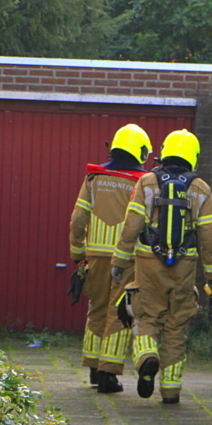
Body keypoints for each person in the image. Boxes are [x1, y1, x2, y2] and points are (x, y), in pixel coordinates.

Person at [111, 129, 212, 404]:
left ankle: (147, 358)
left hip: (148, 264)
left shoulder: (147, 182)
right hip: (184, 267)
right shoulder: (201, 188)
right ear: (192, 156)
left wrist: (119, 261)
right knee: (176, 324)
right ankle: (171, 390)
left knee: (147, 317)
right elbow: (210, 235)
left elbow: (132, 225)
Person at [69, 123, 151, 393]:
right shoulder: (142, 182)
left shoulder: (94, 178)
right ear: (140, 151)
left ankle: (93, 368)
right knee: (120, 313)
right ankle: (109, 374)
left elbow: (78, 218)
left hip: (95, 255)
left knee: (97, 308)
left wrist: (77, 252)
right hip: (126, 258)